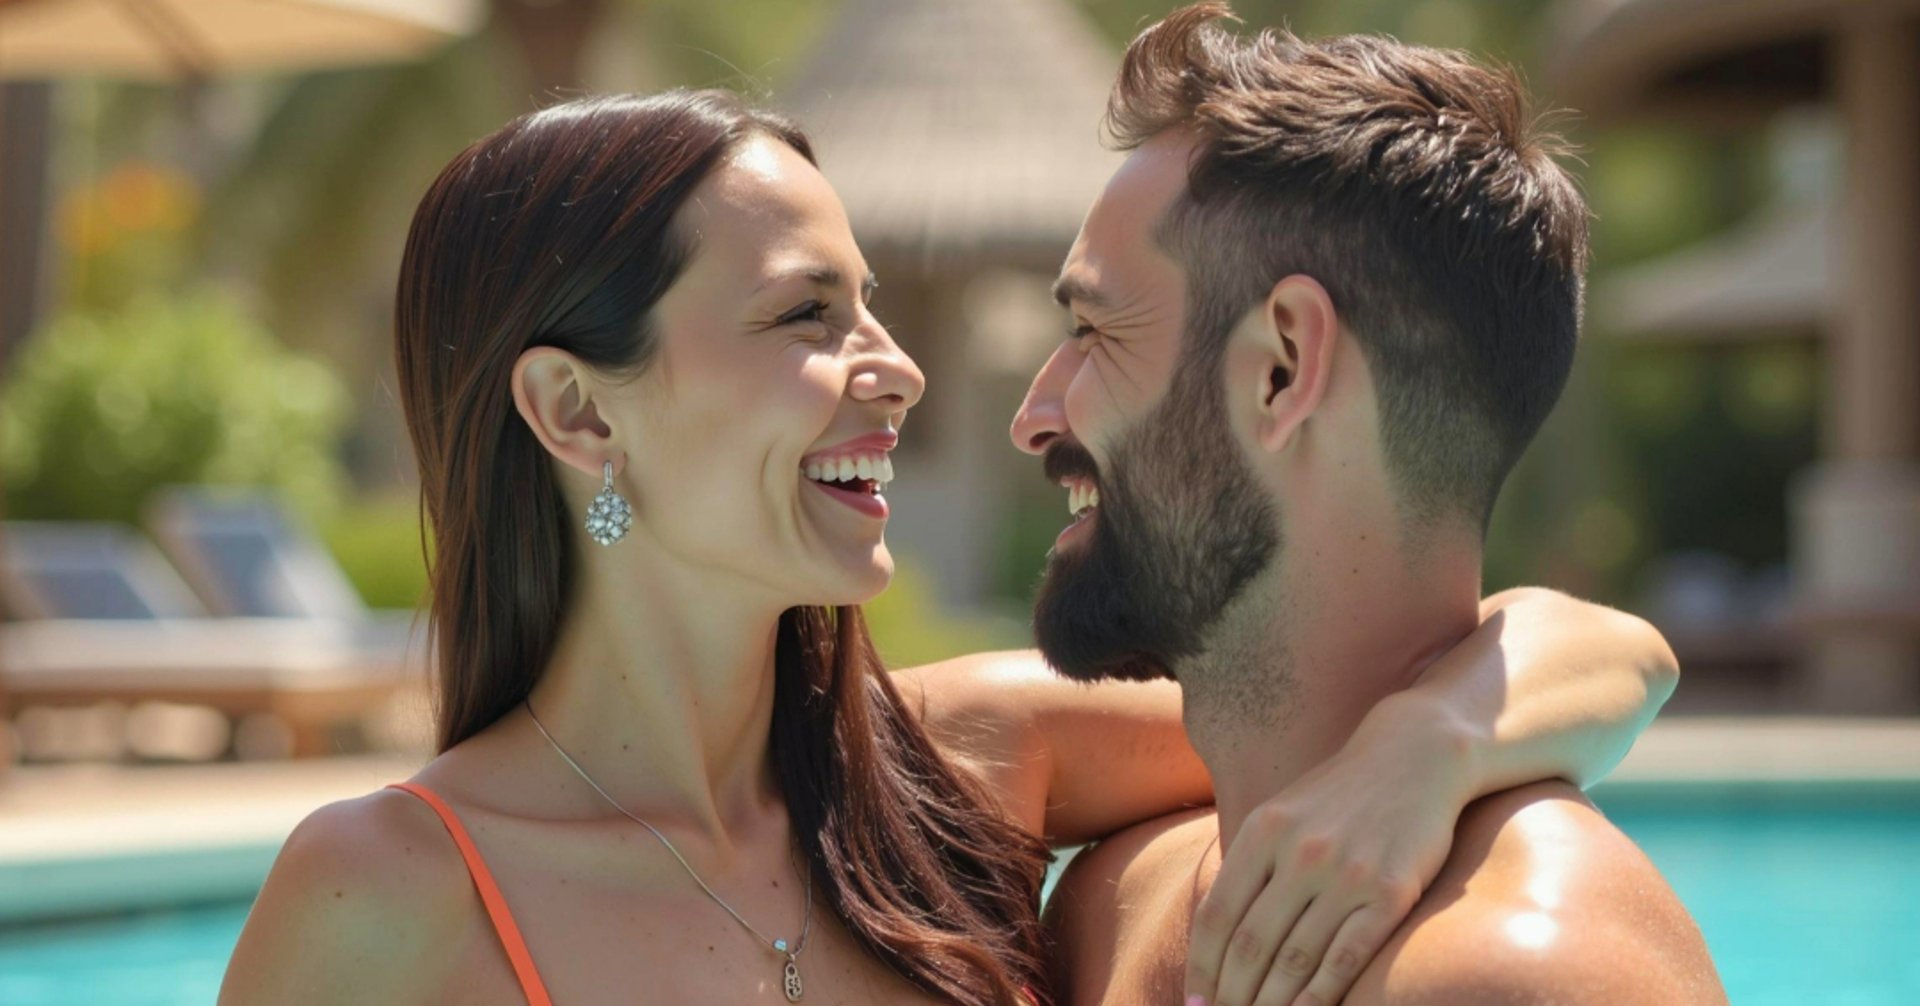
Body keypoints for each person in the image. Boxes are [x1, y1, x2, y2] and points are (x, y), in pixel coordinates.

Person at [218, 87, 1678, 1006]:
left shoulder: (950, 765)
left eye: (873, 304)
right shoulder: (382, 896)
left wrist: (1423, 746)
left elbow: (1579, 650)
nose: (901, 368)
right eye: (808, 314)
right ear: (577, 413)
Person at [1026, 6, 1726, 1006]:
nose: (1033, 415)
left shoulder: (1514, 976)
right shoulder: (1110, 901)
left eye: (1096, 332)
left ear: (1282, 368)